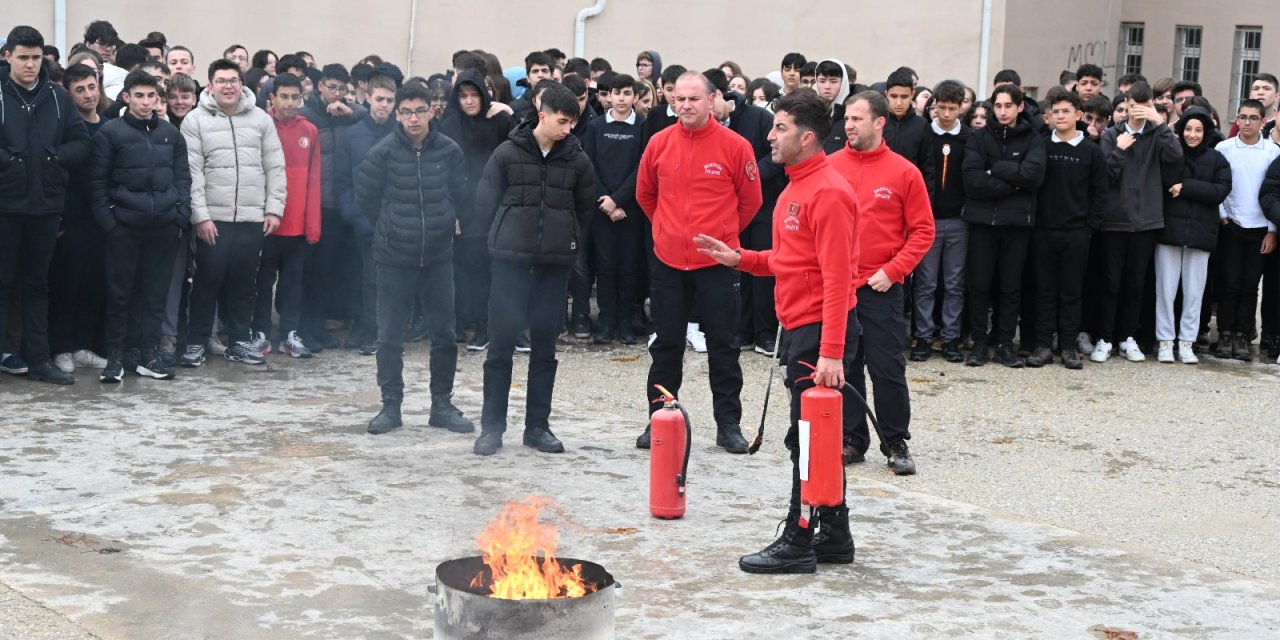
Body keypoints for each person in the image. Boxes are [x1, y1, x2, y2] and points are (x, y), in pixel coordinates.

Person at [691, 90, 860, 574]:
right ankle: (836, 534)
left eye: (780, 127)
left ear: (807, 137)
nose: (770, 134)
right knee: (816, 437)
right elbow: (793, 262)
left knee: (807, 439)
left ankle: (800, 538)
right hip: (803, 328)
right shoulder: (794, 187)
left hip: (818, 334)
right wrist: (739, 258)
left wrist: (830, 352)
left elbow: (837, 278)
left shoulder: (827, 192)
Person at [633, 72, 763, 453]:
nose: (685, 105)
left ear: (712, 100)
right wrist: (667, 229)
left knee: (724, 345)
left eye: (693, 99)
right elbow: (645, 195)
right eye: (679, 99)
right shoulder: (658, 143)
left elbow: (750, 202)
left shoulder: (735, 146)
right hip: (669, 263)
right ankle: (659, 419)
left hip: (717, 265)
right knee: (667, 346)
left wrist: (724, 236)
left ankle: (728, 425)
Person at [471, 84, 596, 456]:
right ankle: (492, 429)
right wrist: (503, 237)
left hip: (554, 268)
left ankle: (537, 427)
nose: (568, 129)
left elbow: (584, 210)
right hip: (510, 265)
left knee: (545, 349)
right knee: (500, 351)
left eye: (573, 122)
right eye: (562, 121)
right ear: (542, 115)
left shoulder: (578, 160)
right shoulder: (507, 153)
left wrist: (564, 238)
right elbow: (485, 202)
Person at [356, 83, 473, 435]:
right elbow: (367, 199)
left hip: (438, 255)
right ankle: (390, 405)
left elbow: (461, 194)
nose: (413, 118)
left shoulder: (449, 151)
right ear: (397, 114)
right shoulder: (383, 153)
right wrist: (393, 227)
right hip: (393, 256)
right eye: (405, 111)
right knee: (389, 335)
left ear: (431, 112)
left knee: (444, 334)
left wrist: (444, 224)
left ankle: (442, 404)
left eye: (420, 110)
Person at [828, 90, 933, 475]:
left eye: (857, 119)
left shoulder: (904, 172)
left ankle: (895, 441)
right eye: (846, 119)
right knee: (846, 366)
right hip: (838, 287)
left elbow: (923, 231)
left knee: (887, 368)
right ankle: (853, 439)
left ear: (879, 122)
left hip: (880, 287)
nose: (849, 126)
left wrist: (893, 271)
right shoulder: (829, 166)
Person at [179, 58, 286, 368]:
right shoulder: (195, 121)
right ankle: (196, 342)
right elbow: (192, 173)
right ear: (210, 86)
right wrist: (200, 216)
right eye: (221, 81)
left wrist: (274, 209)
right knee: (205, 283)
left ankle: (239, 341)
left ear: (242, 85)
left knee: (244, 283)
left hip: (253, 219)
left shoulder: (261, 120)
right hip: (214, 219)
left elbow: (275, 166)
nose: (228, 86)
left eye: (233, 80)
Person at [0, 26, 92, 384]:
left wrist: (55, 157)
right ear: (8, 56)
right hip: (5, 205)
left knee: (38, 284)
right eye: (23, 57)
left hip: (45, 205)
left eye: (36, 57)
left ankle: (39, 358)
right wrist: (8, 162)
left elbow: (81, 142)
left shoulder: (57, 98)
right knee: (2, 282)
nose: (30, 64)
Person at [89, 70, 189, 382]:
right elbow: (97, 183)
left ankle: (148, 353)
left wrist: (179, 216)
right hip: (124, 227)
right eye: (140, 96)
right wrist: (111, 223)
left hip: (163, 227)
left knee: (155, 294)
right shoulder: (111, 133)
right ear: (127, 97)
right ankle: (116, 357)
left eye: (152, 96)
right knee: (120, 294)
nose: (146, 102)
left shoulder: (171, 135)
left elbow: (183, 177)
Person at [1093, 81, 1182, 362]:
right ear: (1128, 104)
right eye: (1134, 106)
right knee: (1109, 282)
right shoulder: (1111, 134)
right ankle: (1104, 337)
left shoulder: (1157, 133)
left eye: (1144, 107)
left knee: (1136, 283)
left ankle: (1127, 337)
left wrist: (1160, 123)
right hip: (1114, 220)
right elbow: (1105, 176)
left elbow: (1175, 156)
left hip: (1146, 220)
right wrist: (1119, 149)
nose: (1137, 112)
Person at [961, 83, 1046, 367]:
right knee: (979, 286)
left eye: (1008, 105)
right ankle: (978, 343)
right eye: (998, 106)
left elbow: (1033, 176)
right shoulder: (978, 137)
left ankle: (1005, 343)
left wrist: (995, 168)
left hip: (1017, 224)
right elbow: (972, 180)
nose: (1003, 111)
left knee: (1011, 287)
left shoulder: (1033, 138)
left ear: (1020, 106)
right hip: (983, 223)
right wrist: (1015, 182)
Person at [1023, 90, 1108, 369]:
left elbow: (1099, 193)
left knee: (1072, 291)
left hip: (1077, 233)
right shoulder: (1041, 146)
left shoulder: (1091, 152)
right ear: (1049, 116)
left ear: (1078, 115)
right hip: (1044, 231)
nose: (1061, 116)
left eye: (1066, 111)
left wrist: (1089, 228)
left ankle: (1069, 347)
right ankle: (1044, 345)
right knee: (1044, 291)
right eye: (1056, 112)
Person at [437, 69, 516, 351]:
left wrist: (508, 110)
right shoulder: (448, 126)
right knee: (462, 272)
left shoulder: (498, 121)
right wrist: (453, 212)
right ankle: (461, 324)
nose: (469, 101)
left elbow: (521, 146)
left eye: (474, 95)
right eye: (463, 96)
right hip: (461, 207)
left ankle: (486, 328)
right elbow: (442, 172)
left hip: (493, 207)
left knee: (486, 272)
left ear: (484, 94)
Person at [249, 73, 321, 359]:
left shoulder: (310, 131)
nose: (291, 103)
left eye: (295, 97)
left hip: (298, 224)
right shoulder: (261, 127)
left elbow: (314, 179)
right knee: (262, 282)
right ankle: (261, 333)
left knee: (293, 283)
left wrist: (312, 225)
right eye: (285, 97)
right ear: (272, 99)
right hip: (267, 223)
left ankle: (289, 334)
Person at [1152, 107, 1231, 364]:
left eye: (1198, 129)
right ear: (1180, 129)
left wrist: (1186, 187)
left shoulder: (1217, 160)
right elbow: (1164, 183)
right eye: (1188, 128)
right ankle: (1165, 341)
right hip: (1169, 233)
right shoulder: (1173, 156)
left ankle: (1187, 342)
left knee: (1194, 292)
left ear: (1207, 131)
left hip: (1201, 235)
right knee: (1165, 289)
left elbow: (1219, 191)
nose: (1192, 134)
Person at [299, 63, 367, 352]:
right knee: (314, 270)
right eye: (332, 87)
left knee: (337, 270)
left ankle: (326, 324)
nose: (337, 93)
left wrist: (352, 113)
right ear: (320, 87)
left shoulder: (351, 115)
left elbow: (374, 119)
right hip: (318, 204)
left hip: (344, 203)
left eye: (342, 88)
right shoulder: (308, 116)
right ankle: (308, 326)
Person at [48, 64, 109, 375]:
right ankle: (61, 348)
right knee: (66, 286)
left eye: (92, 86)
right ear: (68, 95)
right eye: (80, 89)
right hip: (70, 218)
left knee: (94, 285)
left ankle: (84, 346)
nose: (88, 94)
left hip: (102, 220)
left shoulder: (110, 126)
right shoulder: (65, 131)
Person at [335, 71, 399, 357]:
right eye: (379, 99)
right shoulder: (353, 135)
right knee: (364, 278)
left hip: (396, 223)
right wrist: (352, 213)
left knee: (389, 281)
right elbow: (342, 181)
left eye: (389, 100)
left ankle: (382, 331)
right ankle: (366, 328)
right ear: (368, 98)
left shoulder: (402, 134)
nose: (384, 105)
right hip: (362, 221)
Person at [1213, 99, 1280, 361]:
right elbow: (1217, 183)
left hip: (1260, 228)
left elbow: (1273, 193)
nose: (1247, 122)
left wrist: (1272, 230)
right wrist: (1221, 215)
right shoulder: (1224, 148)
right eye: (1243, 117)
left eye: (1253, 118)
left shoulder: (1272, 152)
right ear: (1237, 120)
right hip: (1231, 224)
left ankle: (1242, 335)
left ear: (1263, 121)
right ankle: (1226, 333)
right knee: (1228, 282)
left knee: (1250, 284)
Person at [911, 80, 972, 364]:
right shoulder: (925, 135)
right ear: (933, 106)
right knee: (925, 283)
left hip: (958, 220)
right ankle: (923, 337)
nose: (946, 114)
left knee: (954, 283)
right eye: (941, 108)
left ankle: (950, 338)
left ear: (961, 107)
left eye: (952, 108)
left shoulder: (970, 138)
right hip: (928, 220)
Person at [582, 73, 646, 345]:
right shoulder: (596, 127)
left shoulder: (642, 127)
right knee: (606, 268)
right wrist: (607, 202)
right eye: (616, 93)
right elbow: (589, 166)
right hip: (602, 210)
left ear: (634, 96)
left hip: (631, 210)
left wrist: (619, 200)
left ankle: (625, 321)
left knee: (629, 267)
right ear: (608, 96)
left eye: (627, 93)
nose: (621, 99)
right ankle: (606, 321)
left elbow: (642, 168)